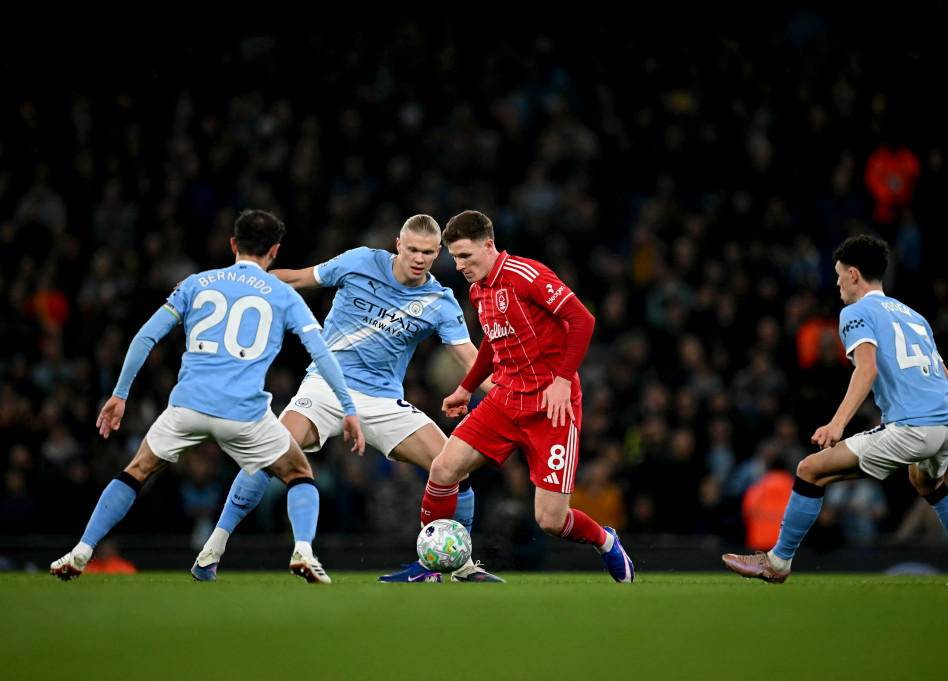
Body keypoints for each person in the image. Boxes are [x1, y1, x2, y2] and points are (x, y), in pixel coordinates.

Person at [50, 209, 365, 584]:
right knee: (298, 473)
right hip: (244, 414)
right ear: (275, 252)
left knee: (137, 470)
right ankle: (303, 551)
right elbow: (321, 353)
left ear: (233, 244)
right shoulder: (283, 294)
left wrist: (120, 394)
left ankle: (82, 550)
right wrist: (348, 408)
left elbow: (144, 337)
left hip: (187, 407)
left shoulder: (196, 283)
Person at [190, 214, 504, 583]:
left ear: (438, 254)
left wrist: (510, 395)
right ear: (398, 244)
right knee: (267, 452)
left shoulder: (438, 300)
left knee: (455, 466)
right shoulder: (359, 261)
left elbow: (469, 357)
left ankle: (460, 564)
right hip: (325, 386)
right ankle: (212, 550)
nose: (419, 258)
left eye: (429, 253)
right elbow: (297, 277)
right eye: (413, 250)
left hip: (382, 401)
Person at [722, 234, 948, 585]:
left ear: (853, 274)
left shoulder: (855, 313)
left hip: (913, 427)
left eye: (839, 275)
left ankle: (777, 563)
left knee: (810, 469)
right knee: (927, 482)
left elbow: (866, 370)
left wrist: (837, 424)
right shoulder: (915, 317)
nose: (837, 283)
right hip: (946, 424)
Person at [417, 210, 635, 582]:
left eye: (465, 255)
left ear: (489, 246)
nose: (459, 265)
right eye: (454, 257)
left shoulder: (526, 275)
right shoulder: (477, 289)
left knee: (550, 519)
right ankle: (430, 566)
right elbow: (492, 340)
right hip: (505, 400)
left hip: (552, 406)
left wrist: (564, 380)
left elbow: (583, 319)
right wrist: (466, 388)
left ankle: (605, 541)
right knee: (442, 468)